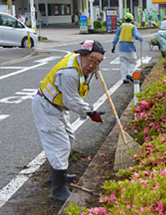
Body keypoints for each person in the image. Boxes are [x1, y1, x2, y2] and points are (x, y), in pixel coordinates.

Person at [32, 40, 105, 202]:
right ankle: (58, 190)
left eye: (97, 62)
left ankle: (56, 175)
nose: (93, 65)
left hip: (58, 107)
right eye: (91, 60)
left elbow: (73, 97)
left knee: (69, 138)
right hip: (46, 106)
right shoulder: (69, 72)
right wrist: (90, 112)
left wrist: (94, 68)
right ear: (82, 54)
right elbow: (71, 100)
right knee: (60, 145)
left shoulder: (83, 65)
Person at [112, 13, 143, 84]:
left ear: (124, 19)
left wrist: (113, 46)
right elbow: (136, 35)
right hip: (130, 47)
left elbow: (116, 36)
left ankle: (124, 78)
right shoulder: (132, 27)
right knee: (133, 62)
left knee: (123, 63)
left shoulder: (121, 26)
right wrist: (140, 39)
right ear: (132, 19)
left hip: (121, 47)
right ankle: (129, 73)